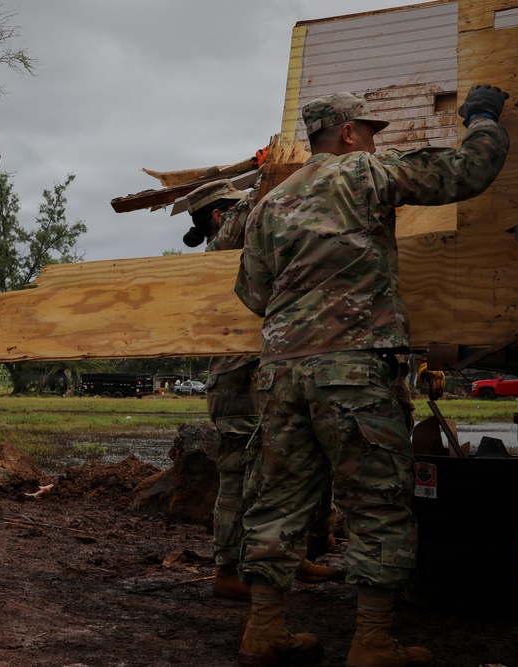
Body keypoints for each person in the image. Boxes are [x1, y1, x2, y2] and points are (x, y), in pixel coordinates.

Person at [234, 86, 510, 666]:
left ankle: (263, 629)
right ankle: (373, 641)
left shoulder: (270, 204)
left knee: (276, 498)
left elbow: (253, 294)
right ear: (349, 134)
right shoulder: (363, 172)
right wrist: (483, 119)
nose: (373, 139)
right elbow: (468, 172)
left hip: (282, 371)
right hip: (354, 369)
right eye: (369, 130)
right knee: (376, 501)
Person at [185, 179, 338, 602]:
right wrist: (269, 178)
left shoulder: (247, 248)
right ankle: (228, 569)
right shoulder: (222, 248)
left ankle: (287, 555)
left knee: (282, 473)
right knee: (238, 481)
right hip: (239, 381)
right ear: (220, 216)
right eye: (236, 209)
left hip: (262, 374)